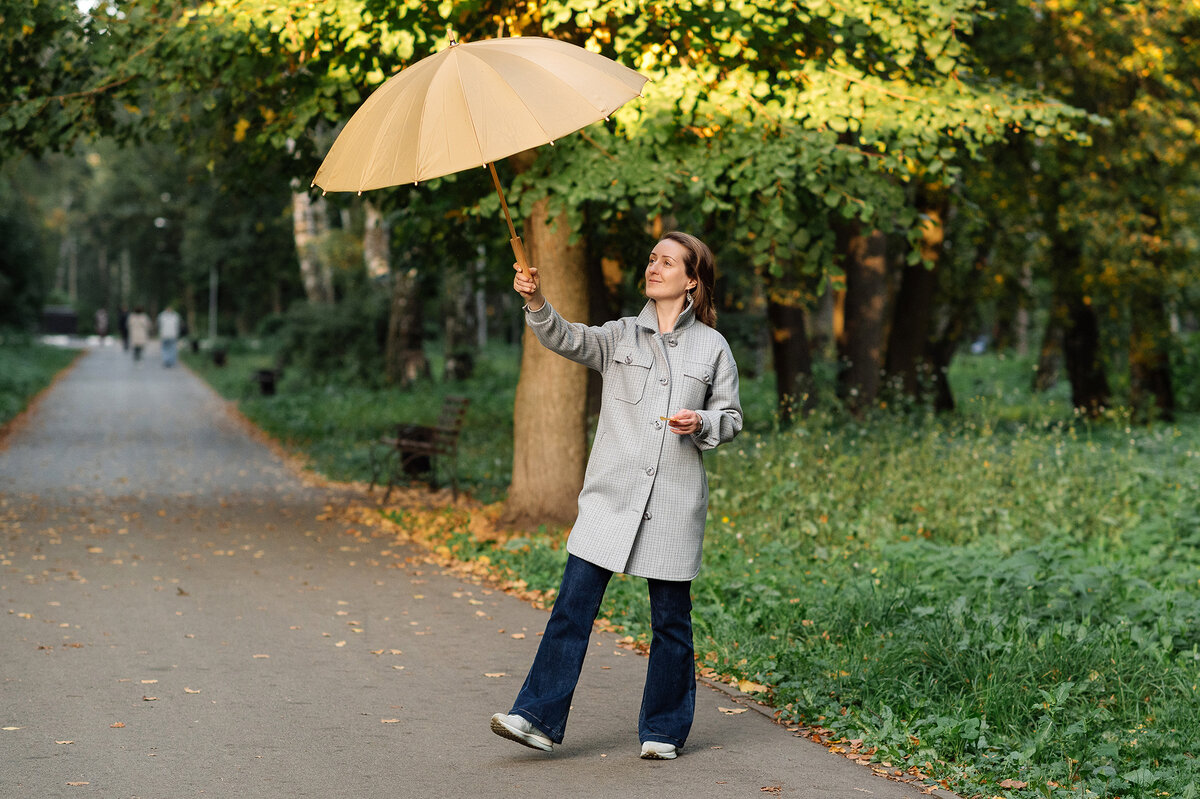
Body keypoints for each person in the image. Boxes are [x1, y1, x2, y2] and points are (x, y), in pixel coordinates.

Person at [490, 231, 743, 760]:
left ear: (691, 280)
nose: (654, 266)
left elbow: (732, 418)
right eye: (651, 257)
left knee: (671, 622)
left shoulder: (713, 347)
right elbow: (565, 337)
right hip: (610, 498)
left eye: (667, 262)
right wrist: (535, 300)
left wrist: (702, 420)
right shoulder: (621, 336)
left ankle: (664, 730)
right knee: (571, 610)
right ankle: (535, 717)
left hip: (673, 503)